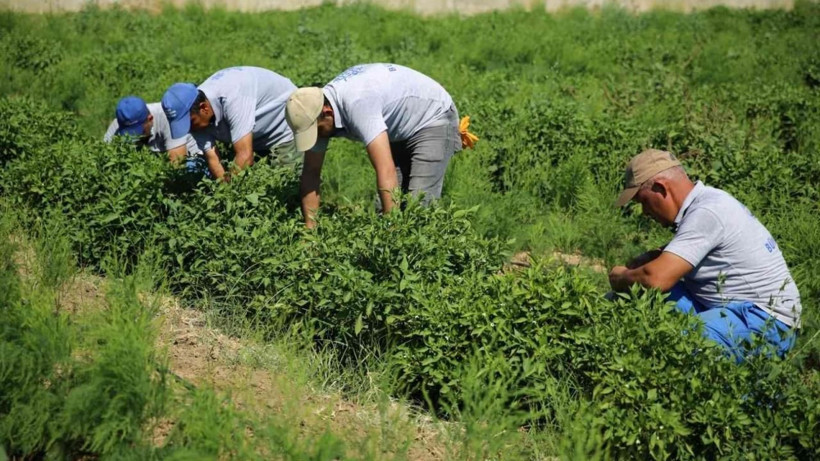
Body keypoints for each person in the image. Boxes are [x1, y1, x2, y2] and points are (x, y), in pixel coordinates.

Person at [608, 149, 801, 362]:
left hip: (763, 321)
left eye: (643, 201)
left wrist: (620, 277)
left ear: (660, 187)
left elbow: (655, 279)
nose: (644, 211)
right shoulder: (707, 202)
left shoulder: (707, 212)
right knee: (629, 299)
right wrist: (651, 258)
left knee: (677, 342)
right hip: (732, 311)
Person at [285, 63, 477, 228]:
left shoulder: (357, 103)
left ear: (327, 112)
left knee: (419, 206)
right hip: (399, 125)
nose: (316, 137)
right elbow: (311, 172)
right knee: (384, 209)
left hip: (433, 117)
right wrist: (311, 232)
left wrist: (391, 231)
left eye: (316, 130)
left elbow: (385, 170)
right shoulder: (316, 110)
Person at [161, 66, 300, 181]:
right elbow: (212, 158)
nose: (189, 129)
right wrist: (224, 190)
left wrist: (228, 195)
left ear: (204, 108)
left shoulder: (232, 96)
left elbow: (245, 156)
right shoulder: (196, 113)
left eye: (190, 122)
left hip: (283, 123)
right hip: (254, 133)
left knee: (286, 182)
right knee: (254, 180)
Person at [104, 95, 204, 172]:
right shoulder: (117, 126)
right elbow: (106, 159)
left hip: (189, 157)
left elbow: (178, 165)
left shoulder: (167, 117)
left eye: (138, 132)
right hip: (156, 160)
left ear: (150, 119)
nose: (134, 138)